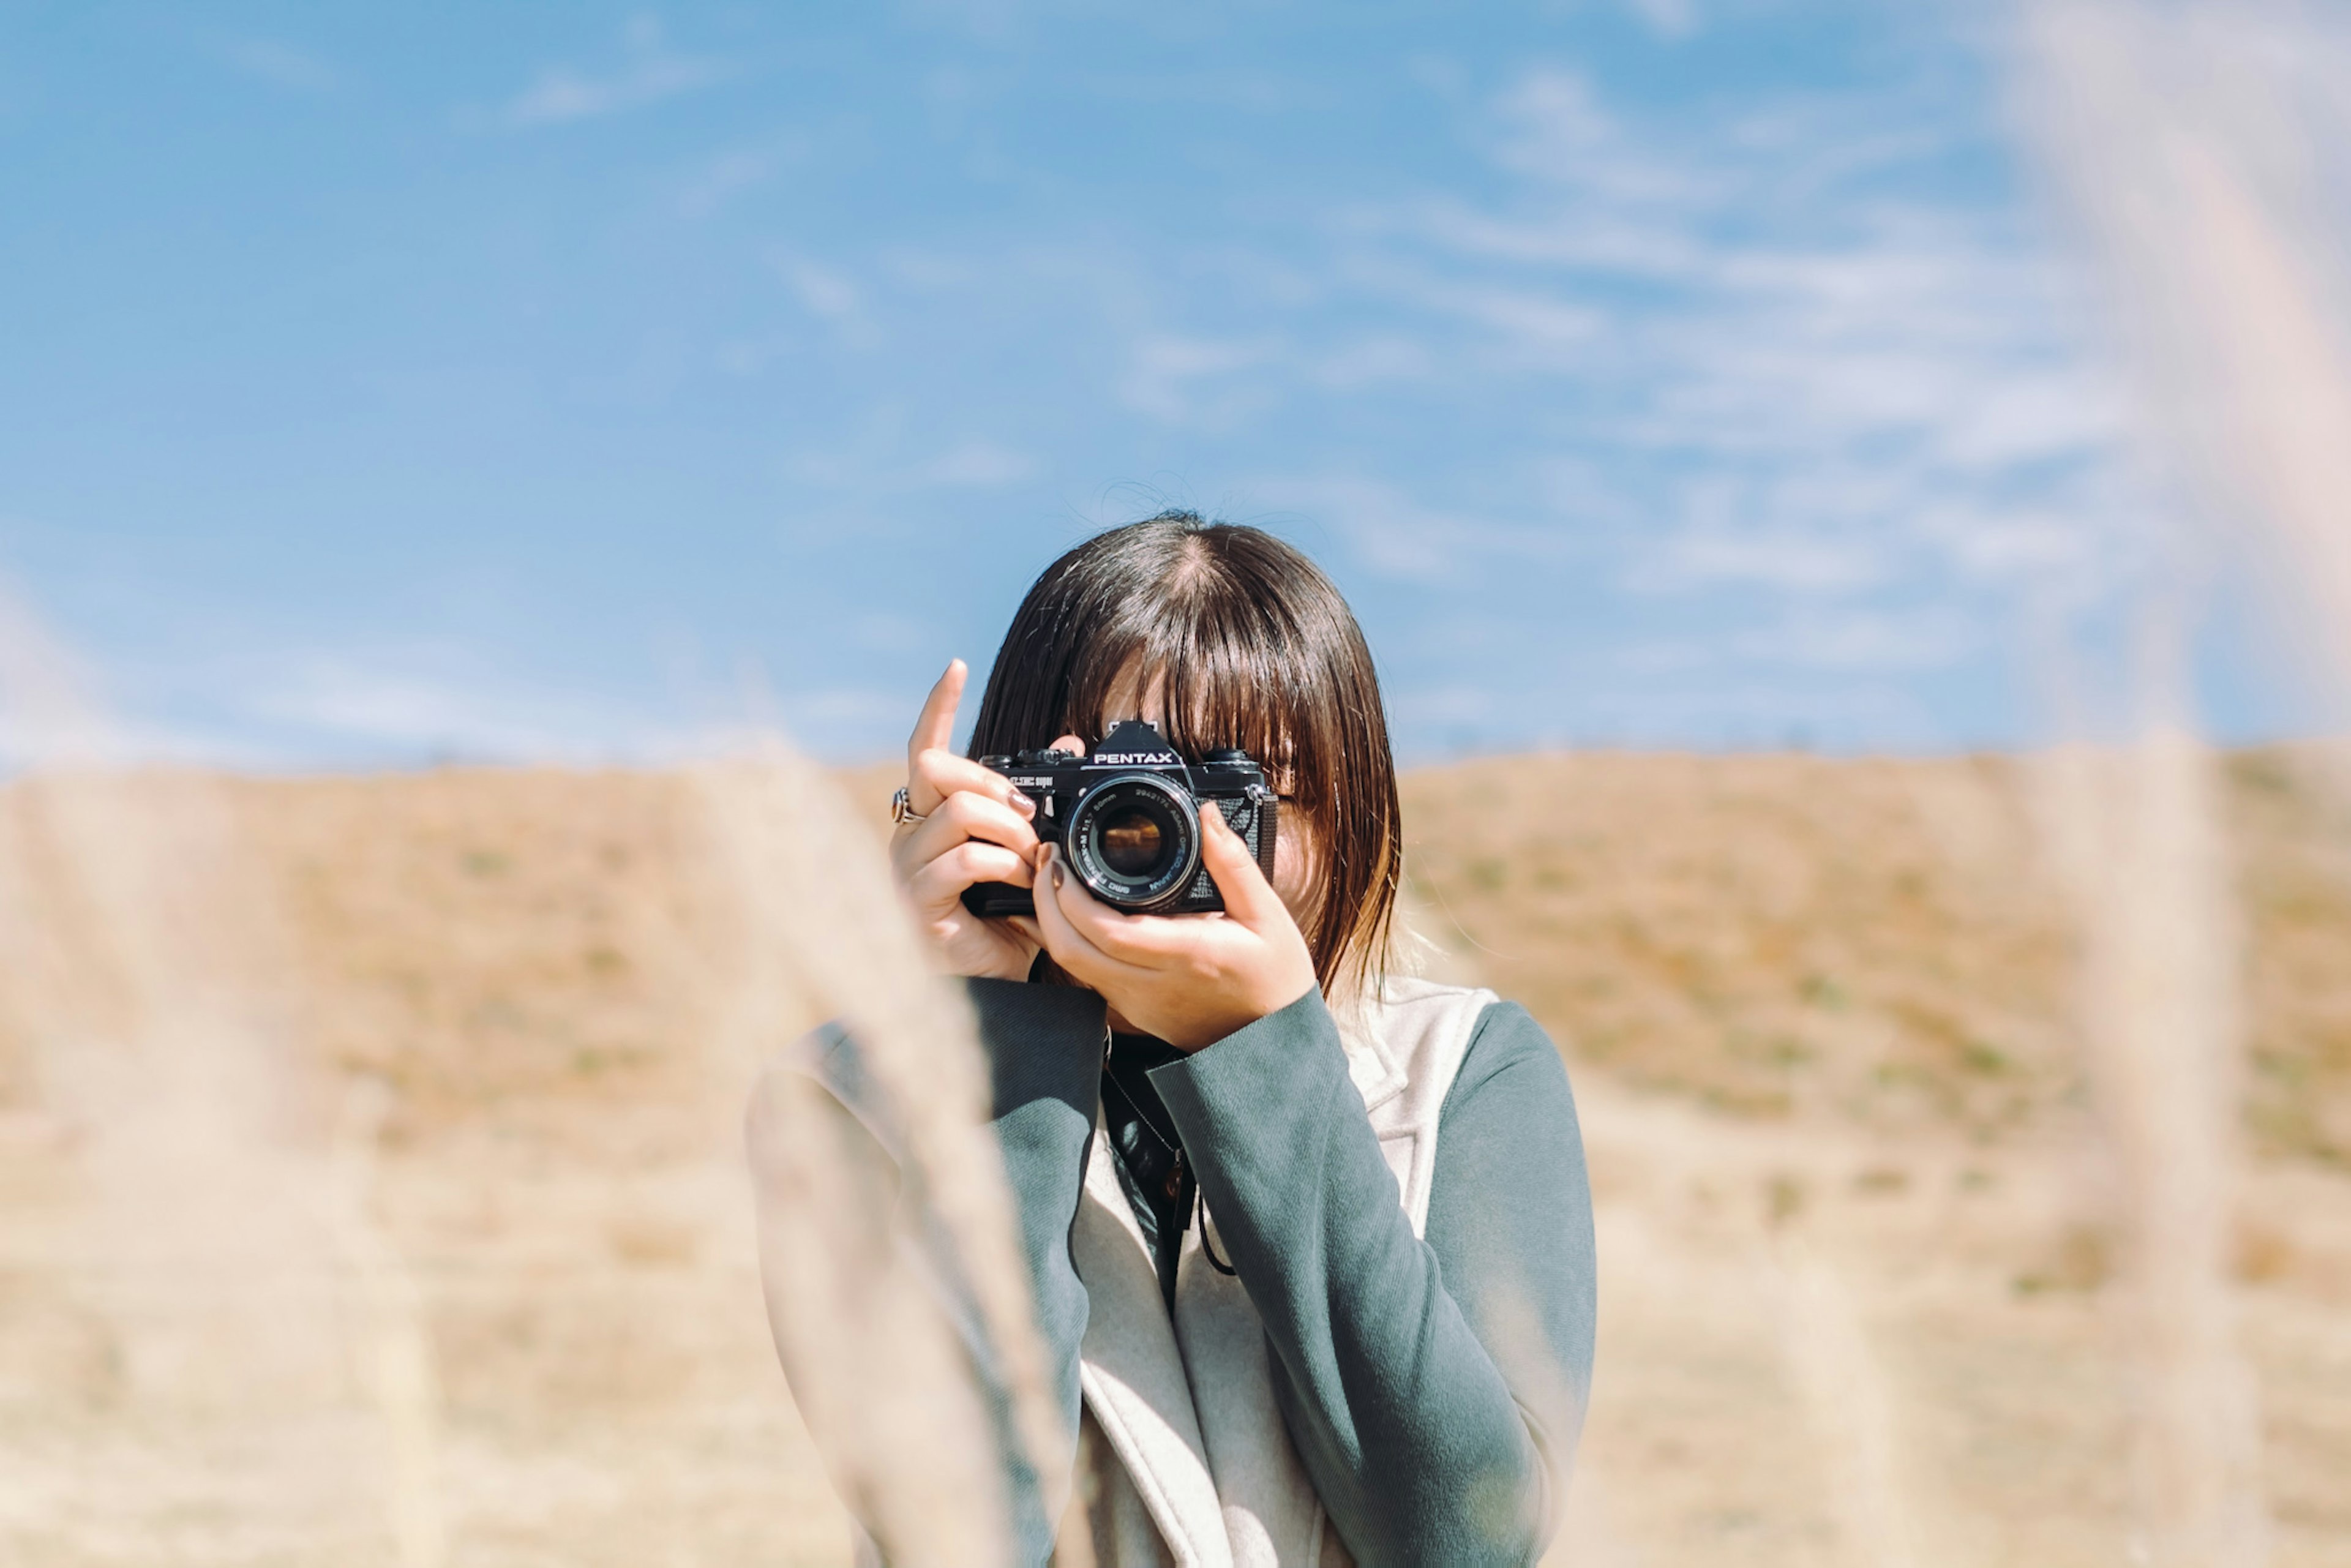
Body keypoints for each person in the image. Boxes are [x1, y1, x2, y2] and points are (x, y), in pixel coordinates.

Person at [753, 512, 1596, 1567]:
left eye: (1244, 794)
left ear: (1355, 818)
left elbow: (1470, 1541)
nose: (1160, 836)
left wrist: (1262, 1052)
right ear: (1003, 796)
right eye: (1105, 788)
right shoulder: (842, 1098)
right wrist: (985, 1037)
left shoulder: (1464, 1069)